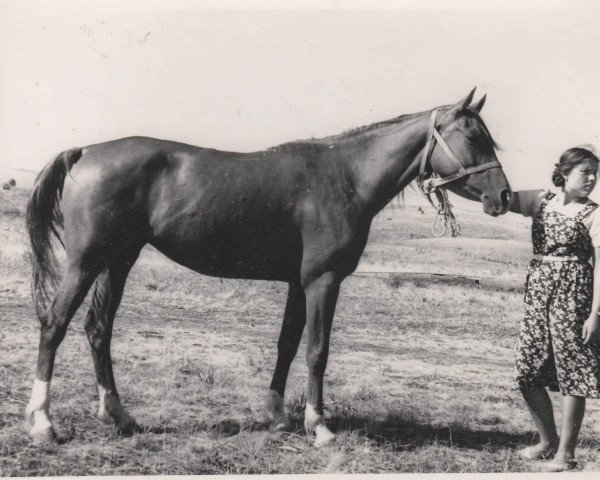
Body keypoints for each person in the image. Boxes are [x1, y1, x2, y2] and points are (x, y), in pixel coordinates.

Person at [510, 146, 600, 472]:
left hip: (575, 295)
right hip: (538, 293)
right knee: (526, 370)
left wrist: (595, 314)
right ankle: (547, 442)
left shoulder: (594, 213)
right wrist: (445, 182)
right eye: (584, 171)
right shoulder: (541, 201)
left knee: (573, 373)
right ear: (563, 172)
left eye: (595, 172)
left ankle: (567, 454)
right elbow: (498, 198)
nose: (591, 178)